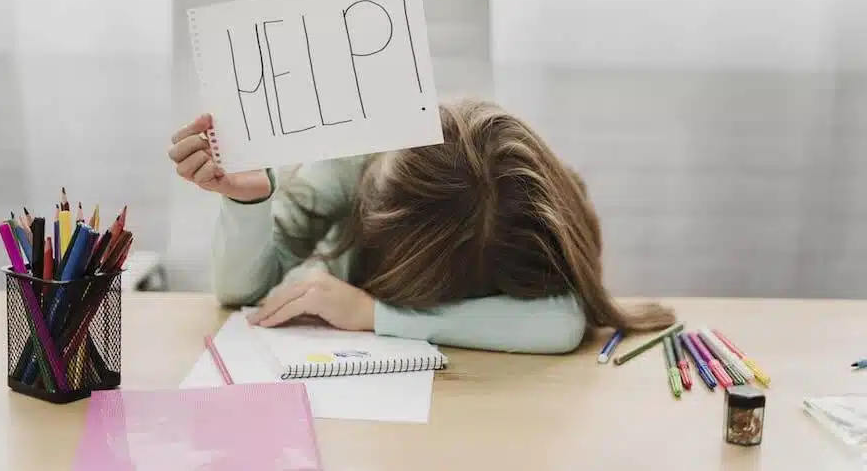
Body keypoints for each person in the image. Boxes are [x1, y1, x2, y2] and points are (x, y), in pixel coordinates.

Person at [168, 99, 676, 354]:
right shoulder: (353, 162)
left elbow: (562, 324)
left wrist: (376, 315)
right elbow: (238, 292)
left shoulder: (519, 214)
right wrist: (248, 202)